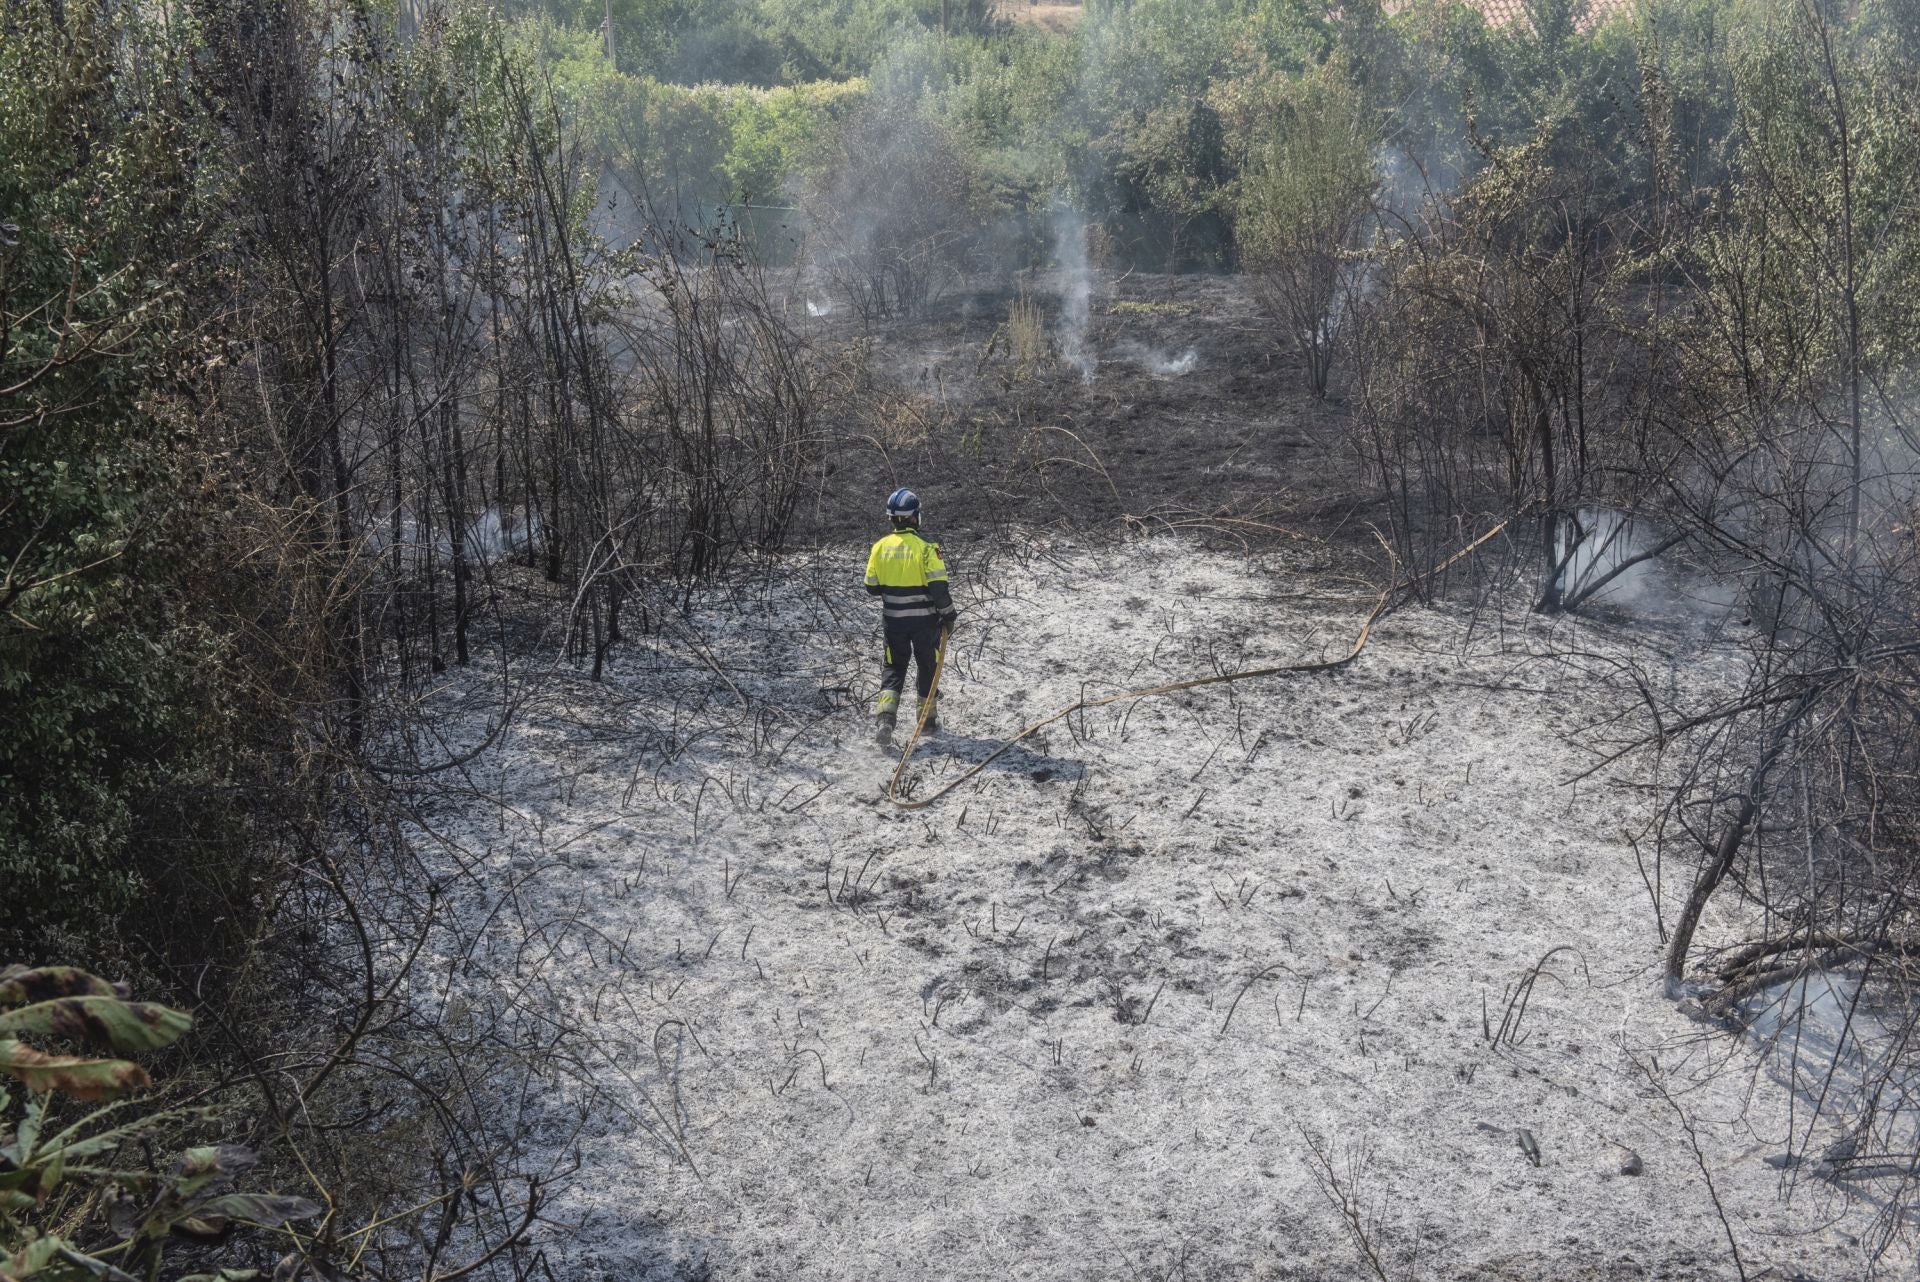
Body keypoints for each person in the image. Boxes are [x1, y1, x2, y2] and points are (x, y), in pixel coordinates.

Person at [865, 488, 956, 744]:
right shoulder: (927, 548)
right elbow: (939, 588)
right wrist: (949, 615)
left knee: (893, 667)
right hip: (925, 623)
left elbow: (871, 586)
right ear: (915, 517)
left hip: (893, 623)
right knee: (928, 666)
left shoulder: (879, 547)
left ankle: (885, 719)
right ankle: (926, 721)